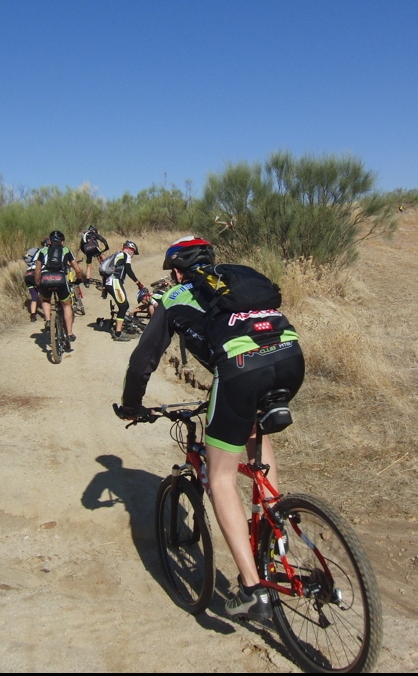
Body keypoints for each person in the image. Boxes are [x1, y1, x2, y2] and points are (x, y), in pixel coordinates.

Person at [114, 236, 304, 621]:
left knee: (220, 479)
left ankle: (252, 590)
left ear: (177, 271)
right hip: (290, 356)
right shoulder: (237, 280)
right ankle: (273, 532)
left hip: (240, 370)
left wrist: (132, 405)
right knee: (252, 432)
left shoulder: (174, 296)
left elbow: (142, 360)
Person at [34, 230, 85, 349]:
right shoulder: (66, 250)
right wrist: (79, 280)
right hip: (60, 278)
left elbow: (37, 271)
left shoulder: (42, 251)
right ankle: (70, 334)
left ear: (50, 241)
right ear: (62, 242)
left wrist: (37, 283)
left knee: (46, 300)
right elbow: (77, 270)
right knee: (66, 305)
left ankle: (48, 320)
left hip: (46, 278)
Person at [105, 240, 145, 342]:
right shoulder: (125, 255)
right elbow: (128, 269)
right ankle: (118, 334)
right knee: (123, 306)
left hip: (110, 282)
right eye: (133, 253)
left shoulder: (116, 255)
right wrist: (138, 282)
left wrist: (105, 288)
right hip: (115, 282)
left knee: (124, 306)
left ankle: (119, 330)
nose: (133, 256)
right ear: (130, 250)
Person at [23, 237, 50, 322]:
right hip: (36, 273)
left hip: (28, 274)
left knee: (34, 296)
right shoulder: (46, 251)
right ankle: (47, 315)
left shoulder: (37, 251)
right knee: (44, 296)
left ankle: (33, 315)